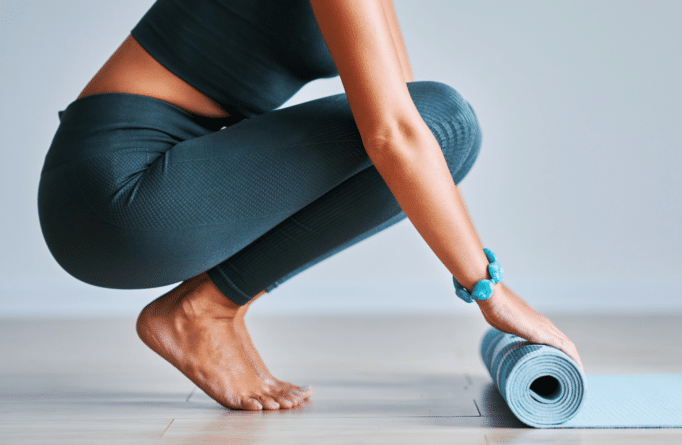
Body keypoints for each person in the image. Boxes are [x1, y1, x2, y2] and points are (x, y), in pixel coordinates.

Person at [37, 0, 582, 411]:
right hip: (114, 194)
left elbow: (408, 125)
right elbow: (397, 133)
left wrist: (479, 273)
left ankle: (210, 306)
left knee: (442, 136)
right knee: (444, 124)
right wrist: (490, 291)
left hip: (139, 195)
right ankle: (205, 309)